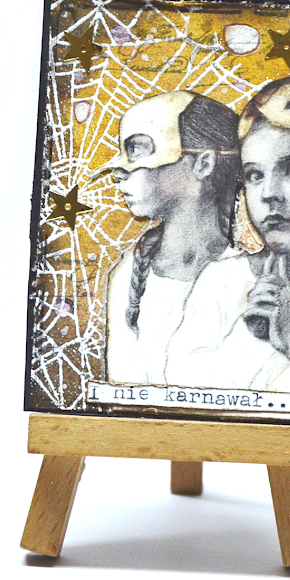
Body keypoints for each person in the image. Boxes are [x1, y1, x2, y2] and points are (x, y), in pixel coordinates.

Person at [165, 75, 290, 422]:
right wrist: (249, 336)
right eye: (254, 175)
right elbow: (178, 392)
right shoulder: (223, 281)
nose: (268, 194)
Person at [98, 91, 240, 386]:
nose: (119, 172)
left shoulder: (251, 275)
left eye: (138, 152)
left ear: (203, 164)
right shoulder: (128, 274)